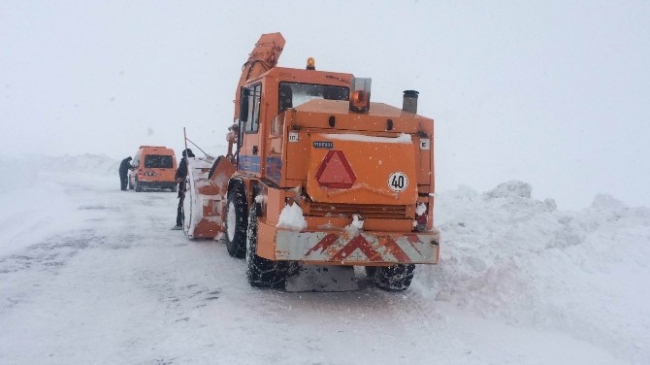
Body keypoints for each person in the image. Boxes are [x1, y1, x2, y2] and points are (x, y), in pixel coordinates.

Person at [173, 148, 195, 229]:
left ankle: (181, 224)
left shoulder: (188, 163)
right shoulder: (194, 162)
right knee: (184, 206)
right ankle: (183, 223)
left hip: (187, 189)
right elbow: (178, 175)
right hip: (187, 189)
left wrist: (182, 178)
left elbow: (181, 174)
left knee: (182, 206)